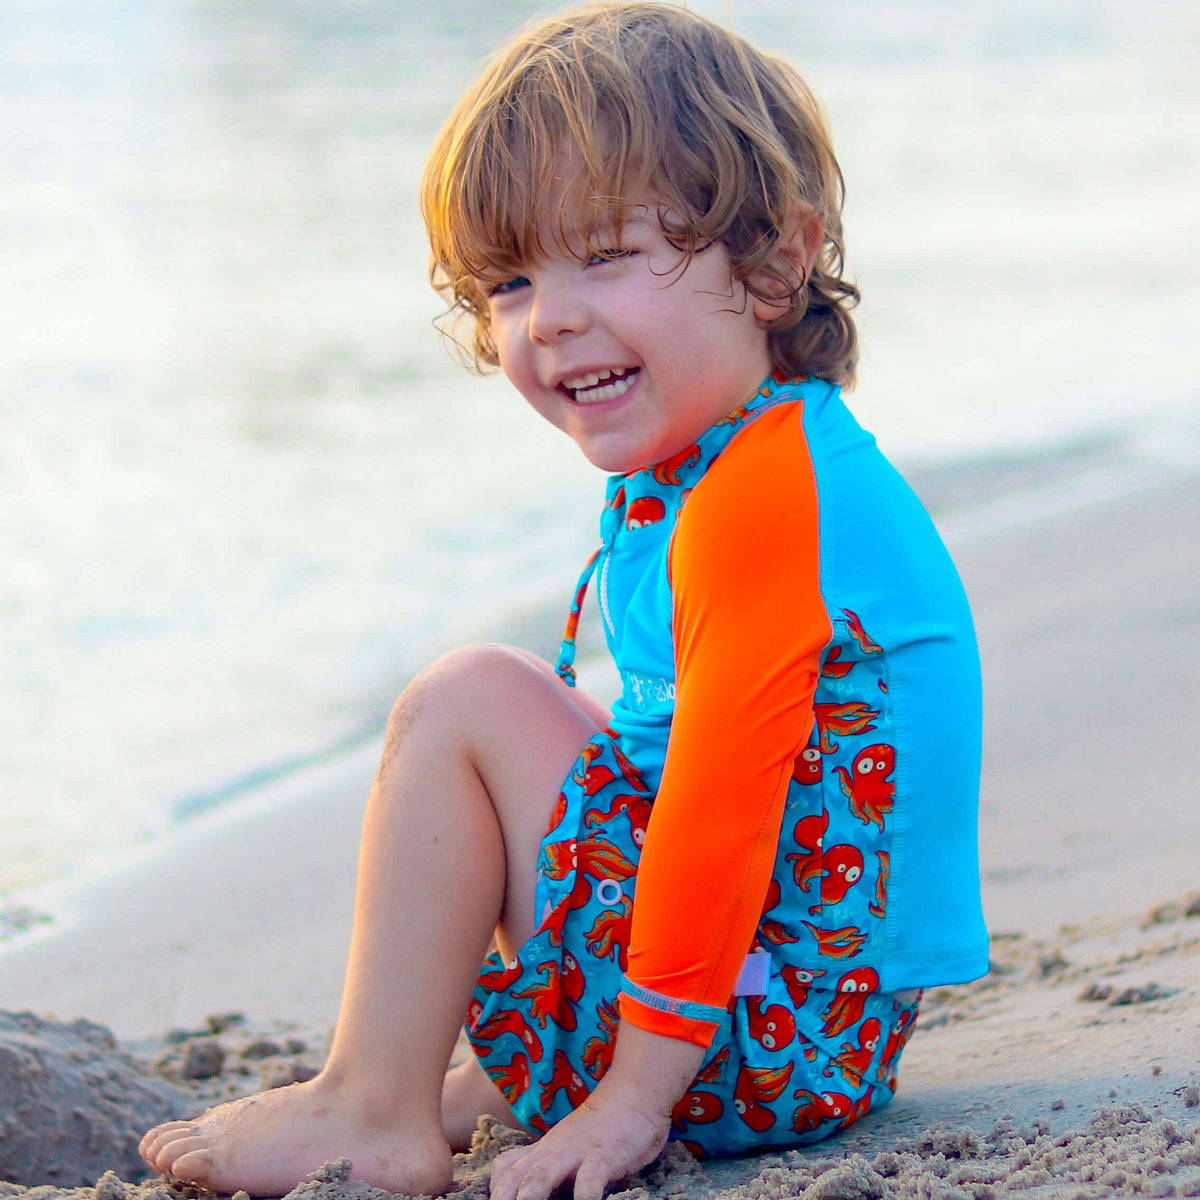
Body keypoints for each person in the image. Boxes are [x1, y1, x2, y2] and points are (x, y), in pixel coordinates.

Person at [139, 4, 989, 1198]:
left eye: (605, 254)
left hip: (761, 1041)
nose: (551, 319)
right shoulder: (721, 467)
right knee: (554, 708)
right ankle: (489, 1074)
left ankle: (374, 1106)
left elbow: (719, 812)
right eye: (512, 279)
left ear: (778, 261)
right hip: (797, 1022)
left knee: (471, 699)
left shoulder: (768, 501)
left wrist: (632, 1104)